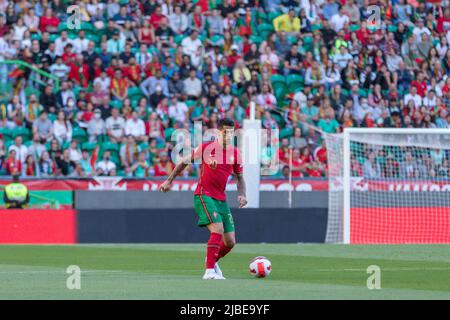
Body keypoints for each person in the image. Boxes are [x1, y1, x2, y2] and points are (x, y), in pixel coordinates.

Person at [160, 118, 247, 280]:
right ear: (219, 132)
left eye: (231, 132)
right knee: (217, 229)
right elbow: (184, 162)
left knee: (230, 242)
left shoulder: (235, 153)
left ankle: (212, 260)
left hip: (221, 199)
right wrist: (168, 180)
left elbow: (240, 178)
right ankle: (209, 272)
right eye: (225, 132)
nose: (228, 135)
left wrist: (242, 194)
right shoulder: (207, 148)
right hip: (204, 194)